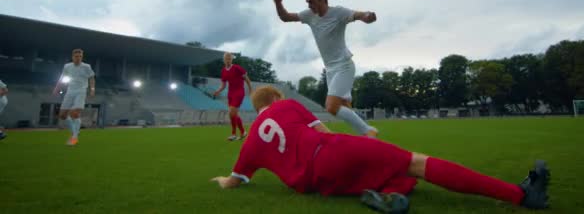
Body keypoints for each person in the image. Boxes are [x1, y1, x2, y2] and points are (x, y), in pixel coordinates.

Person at [211, 86, 550, 213]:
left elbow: (234, 180)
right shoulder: (288, 107)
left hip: (316, 184)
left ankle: (384, 194)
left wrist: (222, 181)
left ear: (258, 109)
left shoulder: (254, 135)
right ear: (275, 99)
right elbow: (326, 132)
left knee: (399, 180)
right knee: (414, 163)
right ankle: (521, 196)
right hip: (328, 152)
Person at [272, 0, 378, 137]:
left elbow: (361, 15)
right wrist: (278, 2)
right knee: (344, 108)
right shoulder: (309, 15)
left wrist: (368, 16)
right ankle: (365, 138)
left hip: (344, 66)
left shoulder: (338, 12)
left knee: (331, 107)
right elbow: (286, 17)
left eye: (312, 1)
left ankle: (368, 131)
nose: (310, 5)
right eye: (307, 2)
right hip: (330, 70)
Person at [52, 48, 95, 146]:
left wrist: (92, 89)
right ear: (72, 57)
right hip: (70, 91)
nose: (78, 58)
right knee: (62, 115)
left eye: (80, 56)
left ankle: (74, 138)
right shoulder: (67, 66)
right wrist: (57, 88)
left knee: (74, 113)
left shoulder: (86, 66)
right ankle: (75, 130)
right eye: (76, 56)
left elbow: (92, 77)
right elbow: (62, 78)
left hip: (81, 91)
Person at [213, 52, 253, 141]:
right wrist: (217, 91)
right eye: (226, 59)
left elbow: (246, 79)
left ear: (231, 59)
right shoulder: (223, 71)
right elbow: (223, 85)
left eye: (229, 58)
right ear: (224, 60)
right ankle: (243, 132)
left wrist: (250, 89)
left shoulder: (237, 68)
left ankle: (234, 134)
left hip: (239, 92)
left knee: (231, 112)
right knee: (233, 114)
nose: (228, 60)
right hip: (230, 93)